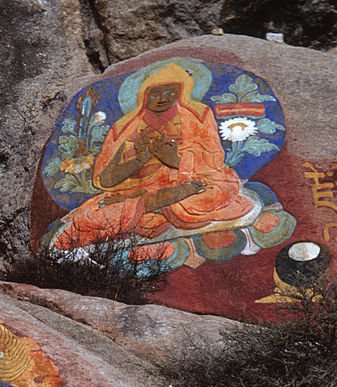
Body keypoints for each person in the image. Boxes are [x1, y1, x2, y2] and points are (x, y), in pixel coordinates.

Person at [46, 61, 255, 255]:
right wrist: (139, 160)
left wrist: (174, 160)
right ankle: (154, 203)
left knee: (212, 192)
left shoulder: (198, 116)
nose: (163, 98)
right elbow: (106, 180)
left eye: (170, 92)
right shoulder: (125, 129)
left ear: (181, 93)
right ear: (143, 96)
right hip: (137, 194)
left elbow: (213, 163)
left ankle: (159, 203)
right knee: (90, 218)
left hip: (192, 184)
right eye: (155, 94)